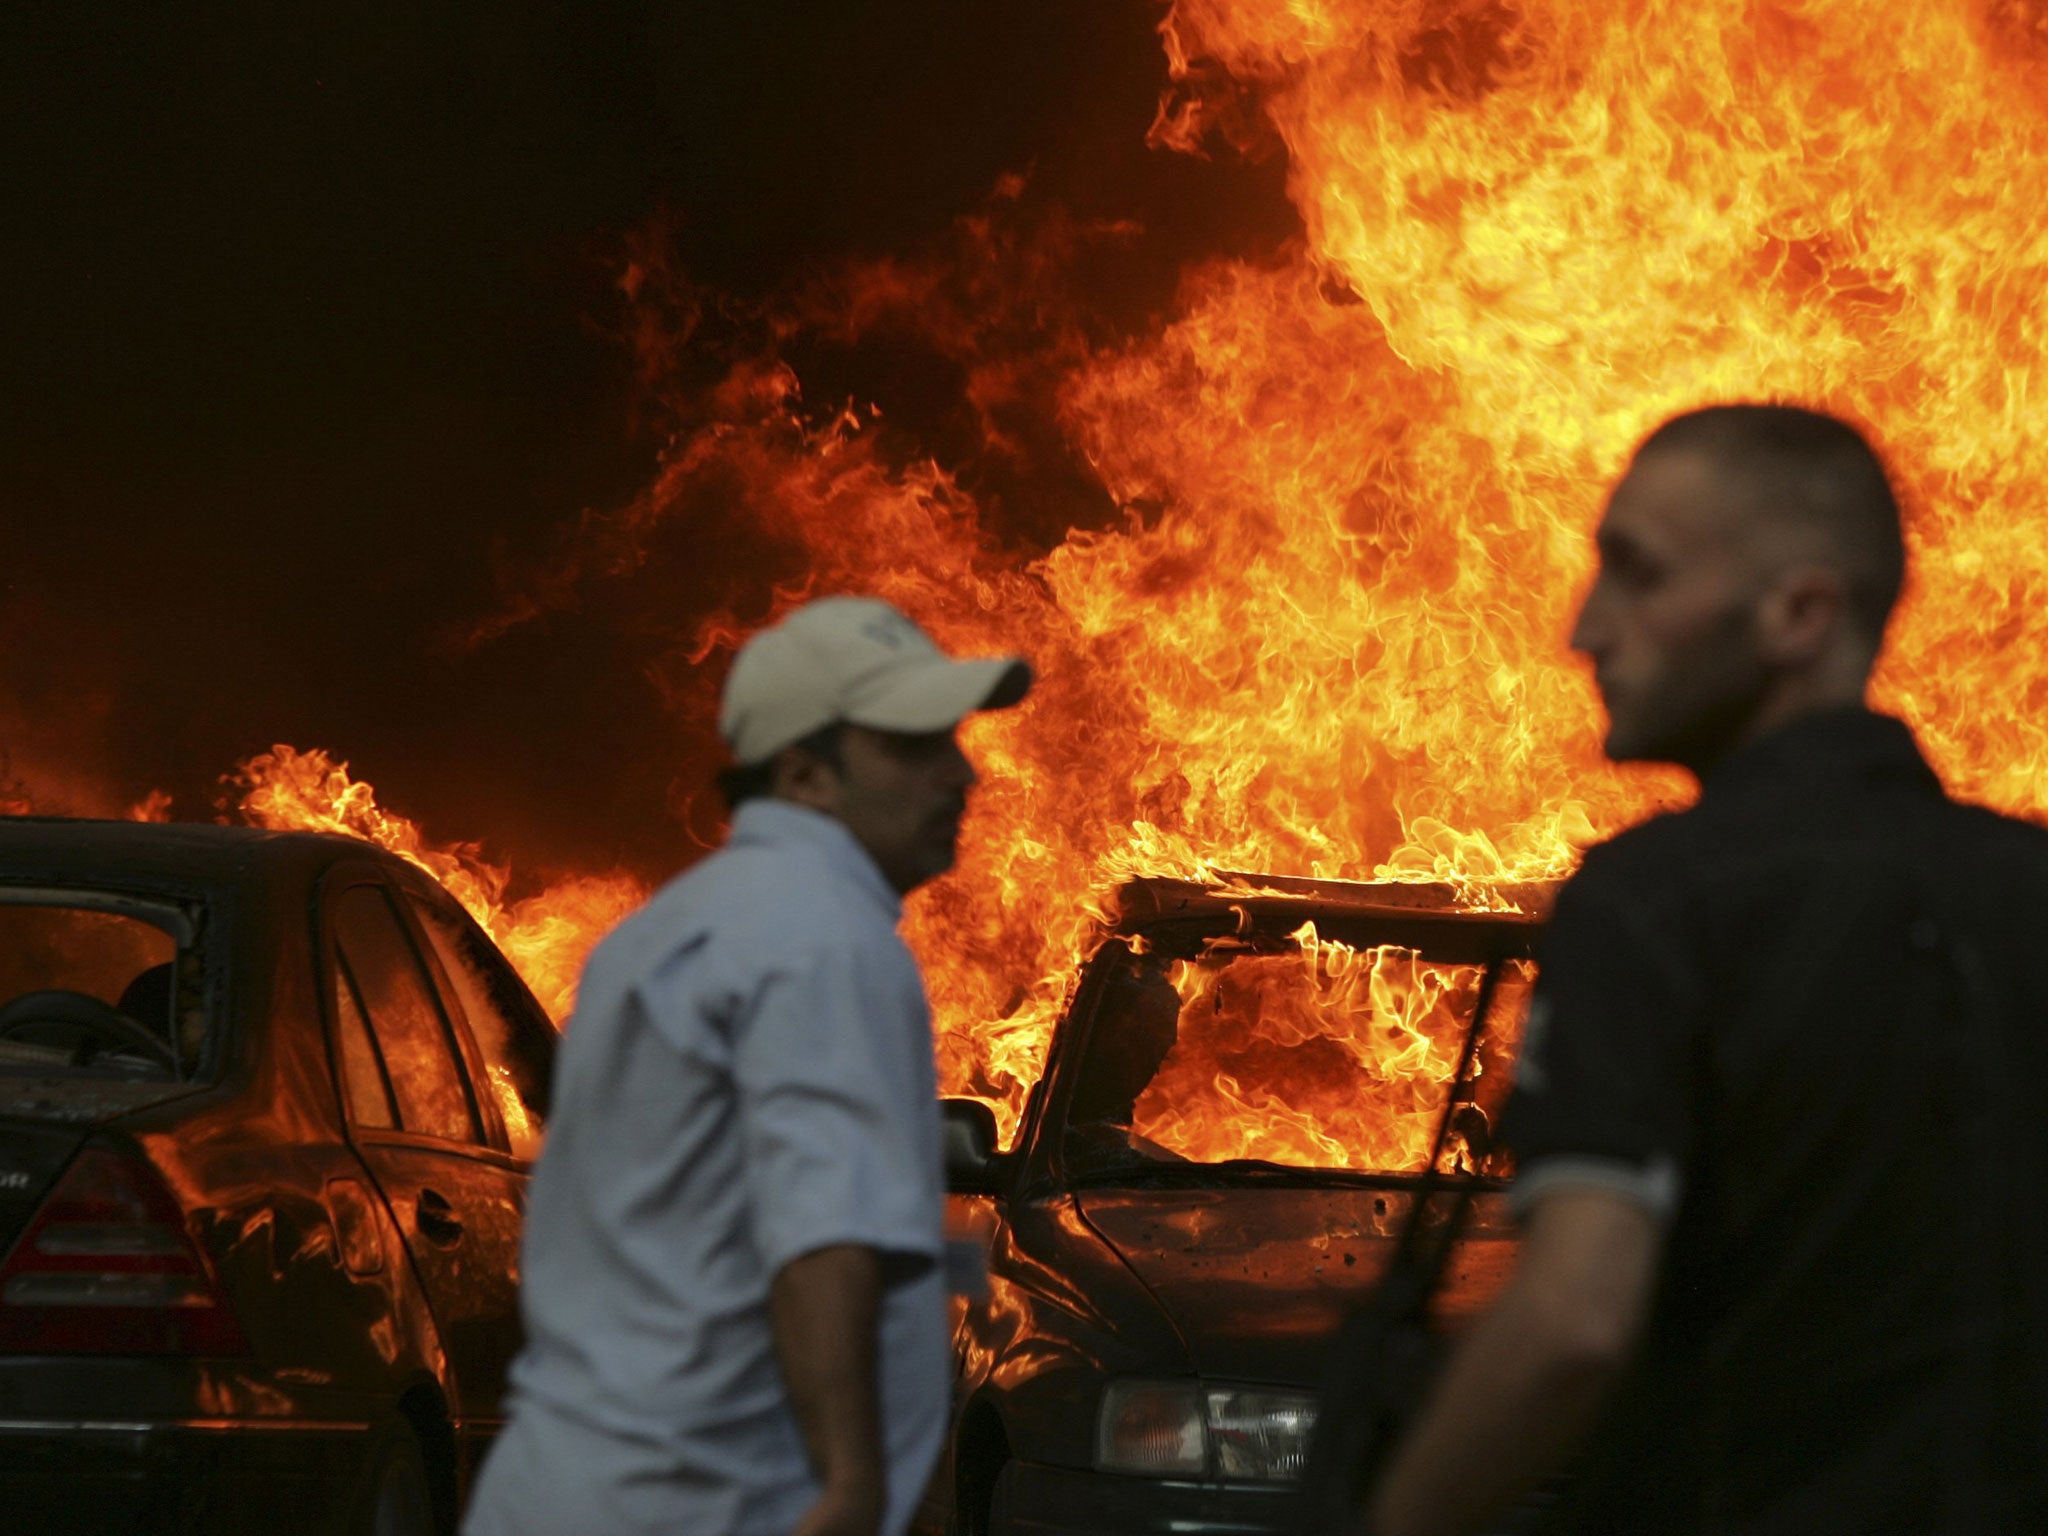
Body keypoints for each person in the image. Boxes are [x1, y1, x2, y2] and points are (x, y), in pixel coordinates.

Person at [1366, 404, 2048, 1535]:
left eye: (1639, 576)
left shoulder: (1652, 903)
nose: (1586, 627)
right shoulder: (2026, 883)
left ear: (1798, 612)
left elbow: (1573, 1323)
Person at [463, 595, 1030, 1536]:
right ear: (806, 775)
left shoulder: (668, 937)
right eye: (914, 748)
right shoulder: (826, 947)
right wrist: (848, 1487)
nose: (961, 774)